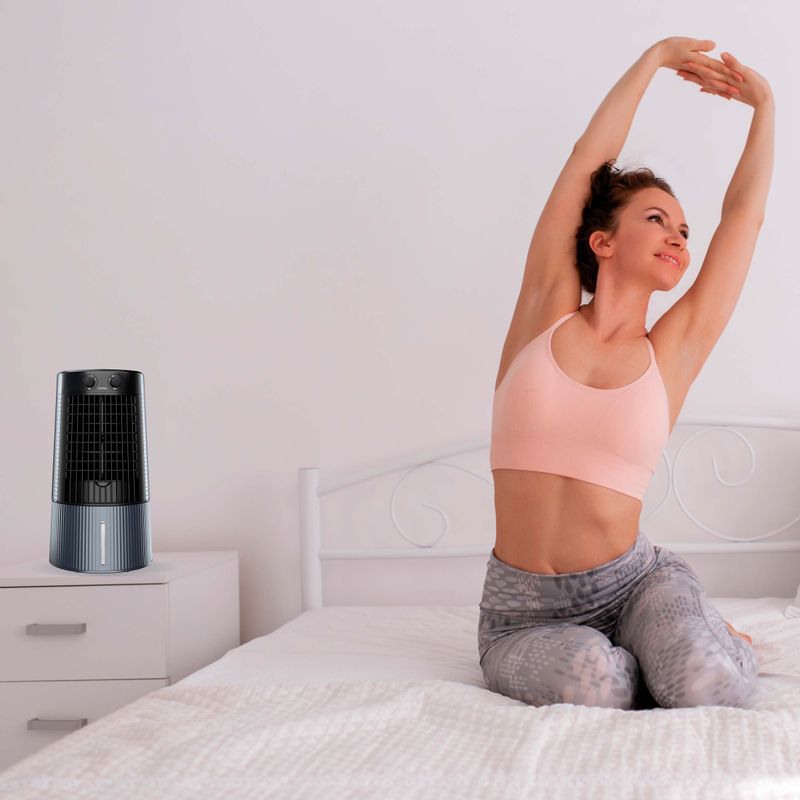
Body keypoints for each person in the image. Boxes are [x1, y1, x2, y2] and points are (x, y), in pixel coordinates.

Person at [478, 37, 774, 710]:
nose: (677, 237)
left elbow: (744, 219)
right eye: (657, 219)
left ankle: (688, 634)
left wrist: (766, 108)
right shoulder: (545, 312)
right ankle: (661, 647)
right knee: (597, 683)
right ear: (602, 241)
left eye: (684, 232)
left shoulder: (672, 352)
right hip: (524, 614)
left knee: (705, 681)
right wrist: (656, 59)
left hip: (636, 584)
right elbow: (587, 160)